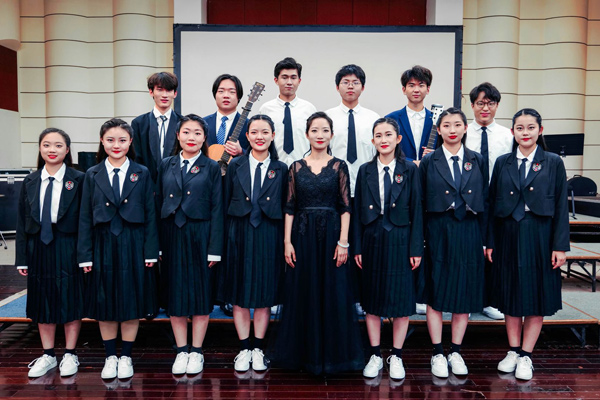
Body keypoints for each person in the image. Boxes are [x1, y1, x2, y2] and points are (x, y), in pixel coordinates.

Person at [271, 111, 364, 375]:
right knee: (303, 292)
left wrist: (344, 242)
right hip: (302, 237)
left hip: (333, 237)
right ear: (307, 134)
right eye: (315, 130)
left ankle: (334, 357)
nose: (320, 135)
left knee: (333, 292)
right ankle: (304, 356)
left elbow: (345, 207)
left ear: (332, 135)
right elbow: (289, 207)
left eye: (325, 130)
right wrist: (287, 242)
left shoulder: (339, 166)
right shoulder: (295, 167)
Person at [486, 108, 569, 381]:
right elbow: (492, 203)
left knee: (536, 295)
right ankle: (512, 350)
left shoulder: (552, 162)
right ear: (513, 132)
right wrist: (490, 241)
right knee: (510, 294)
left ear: (540, 130)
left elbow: (561, 206)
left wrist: (560, 246)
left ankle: (526, 355)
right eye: (520, 128)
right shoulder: (503, 162)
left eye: (531, 127)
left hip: (540, 234)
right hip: (507, 233)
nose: (525, 133)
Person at [78, 118, 159, 380]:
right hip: (102, 245)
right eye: (110, 139)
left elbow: (150, 215)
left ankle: (126, 356)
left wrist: (150, 251)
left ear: (130, 142)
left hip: (134, 243)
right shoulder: (92, 174)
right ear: (102, 141)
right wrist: (85, 255)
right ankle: (110, 356)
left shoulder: (141, 172)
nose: (116, 145)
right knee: (105, 301)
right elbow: (84, 218)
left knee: (131, 300)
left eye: (122, 140)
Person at [419, 108, 488, 379]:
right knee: (435, 291)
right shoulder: (429, 161)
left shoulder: (477, 159)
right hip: (438, 229)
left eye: (457, 124)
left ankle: (456, 351)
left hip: (469, 229)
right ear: (439, 129)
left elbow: (485, 199)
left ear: (465, 128)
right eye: (446, 125)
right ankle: (437, 351)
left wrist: (486, 239)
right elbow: (420, 202)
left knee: (464, 291)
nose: (452, 130)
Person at [353, 118, 423, 380]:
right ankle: (374, 354)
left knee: (401, 300)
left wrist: (416, 248)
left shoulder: (410, 169)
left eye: (388, 135)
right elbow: (358, 211)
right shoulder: (365, 170)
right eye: (378, 135)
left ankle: (397, 355)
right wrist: (357, 247)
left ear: (398, 138)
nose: (383, 140)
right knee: (372, 299)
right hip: (371, 237)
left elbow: (417, 209)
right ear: (373, 141)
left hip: (401, 238)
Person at [157, 114, 223, 375]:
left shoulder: (212, 166)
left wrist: (214, 249)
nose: (191, 137)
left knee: (200, 293)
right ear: (177, 135)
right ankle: (181, 350)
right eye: (186, 132)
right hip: (171, 233)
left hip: (201, 234)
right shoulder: (166, 164)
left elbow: (217, 208)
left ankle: (196, 351)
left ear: (204, 137)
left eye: (197, 133)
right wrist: (157, 245)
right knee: (175, 293)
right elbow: (158, 203)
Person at [16, 128, 85, 378]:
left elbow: (85, 221)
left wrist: (85, 254)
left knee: (70, 298)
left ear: (67, 150)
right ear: (40, 148)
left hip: (68, 244)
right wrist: (22, 258)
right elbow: (22, 221)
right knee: (42, 299)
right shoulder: (30, 181)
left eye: (58, 145)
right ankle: (48, 355)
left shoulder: (79, 179)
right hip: (38, 246)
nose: (52, 150)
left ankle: (70, 354)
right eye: (46, 145)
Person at [221, 115, 287, 372]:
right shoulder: (235, 165)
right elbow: (225, 202)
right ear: (246, 136)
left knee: (264, 294)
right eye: (255, 132)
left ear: (273, 136)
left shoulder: (281, 169)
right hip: (239, 233)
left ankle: (258, 348)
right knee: (240, 293)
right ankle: (244, 348)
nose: (260, 136)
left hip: (269, 234)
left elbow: (286, 206)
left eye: (265, 132)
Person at [465, 82, 513, 321]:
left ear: (497, 105)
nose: (485, 108)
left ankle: (490, 301)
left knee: (494, 252)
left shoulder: (507, 136)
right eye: (480, 103)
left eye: (490, 103)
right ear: (472, 105)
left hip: (498, 200)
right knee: (470, 250)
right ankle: (467, 300)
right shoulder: (462, 132)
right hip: (469, 200)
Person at [259, 57, 317, 166]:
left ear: (299, 81)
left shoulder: (309, 109)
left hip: (304, 167)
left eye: (293, 78)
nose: (289, 82)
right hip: (273, 167)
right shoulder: (266, 109)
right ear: (276, 80)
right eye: (284, 77)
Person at [132, 71, 182, 184]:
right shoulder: (139, 123)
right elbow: (136, 158)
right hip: (146, 185)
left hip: (175, 186)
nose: (164, 95)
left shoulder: (183, 123)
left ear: (175, 93)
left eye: (169, 90)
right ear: (151, 92)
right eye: (160, 90)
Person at [385, 65, 436, 165]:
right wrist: (412, 163)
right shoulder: (391, 119)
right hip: (401, 171)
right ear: (404, 90)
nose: (416, 90)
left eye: (421, 85)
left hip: (429, 172)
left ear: (428, 89)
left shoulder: (437, 119)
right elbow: (387, 150)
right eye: (411, 85)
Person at [204, 74, 249, 157]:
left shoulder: (248, 125)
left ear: (239, 97)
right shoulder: (203, 123)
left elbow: (257, 154)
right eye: (221, 91)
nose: (226, 96)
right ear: (215, 95)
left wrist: (241, 151)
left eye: (232, 92)